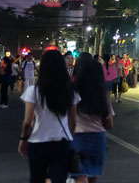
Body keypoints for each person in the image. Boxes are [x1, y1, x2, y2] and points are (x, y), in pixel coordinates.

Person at [18, 49, 80, 183]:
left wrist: (23, 140)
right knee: (59, 180)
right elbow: (73, 122)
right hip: (62, 144)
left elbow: (27, 122)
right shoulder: (70, 91)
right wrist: (71, 138)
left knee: (36, 179)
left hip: (38, 144)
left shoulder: (33, 91)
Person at [72, 55, 114, 183]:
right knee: (92, 176)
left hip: (77, 138)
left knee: (79, 175)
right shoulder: (102, 97)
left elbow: (69, 121)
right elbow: (108, 124)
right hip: (97, 140)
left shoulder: (73, 93)